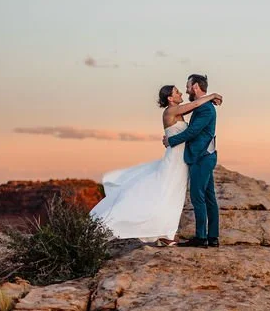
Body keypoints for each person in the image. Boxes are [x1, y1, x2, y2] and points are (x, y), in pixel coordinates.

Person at [89, 81, 222, 244]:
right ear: (170, 98)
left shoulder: (187, 110)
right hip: (176, 159)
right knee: (166, 192)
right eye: (177, 92)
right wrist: (213, 96)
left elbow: (194, 114)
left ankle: (169, 233)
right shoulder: (172, 111)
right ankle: (167, 232)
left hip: (187, 158)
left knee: (175, 194)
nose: (181, 93)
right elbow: (194, 109)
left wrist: (210, 98)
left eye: (183, 89)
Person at [162, 73, 220, 248]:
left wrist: (170, 141)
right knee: (209, 197)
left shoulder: (205, 109)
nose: (186, 89)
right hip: (204, 155)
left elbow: (192, 132)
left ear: (195, 87)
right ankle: (213, 237)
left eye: (187, 86)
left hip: (201, 157)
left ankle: (201, 237)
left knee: (198, 197)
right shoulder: (203, 106)